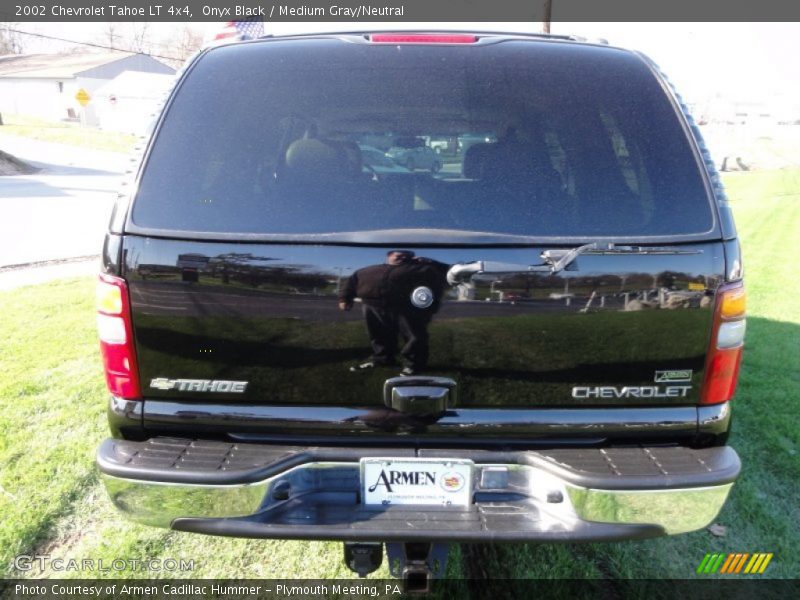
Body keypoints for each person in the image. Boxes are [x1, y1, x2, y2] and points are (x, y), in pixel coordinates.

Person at [338, 250, 450, 375]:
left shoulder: (422, 269)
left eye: (408, 256)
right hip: (372, 306)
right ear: (389, 255)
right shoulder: (368, 270)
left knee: (414, 337)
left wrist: (431, 262)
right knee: (378, 336)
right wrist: (344, 298)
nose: (404, 257)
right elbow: (351, 283)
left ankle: (414, 365)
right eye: (400, 254)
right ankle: (382, 360)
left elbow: (448, 272)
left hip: (407, 308)